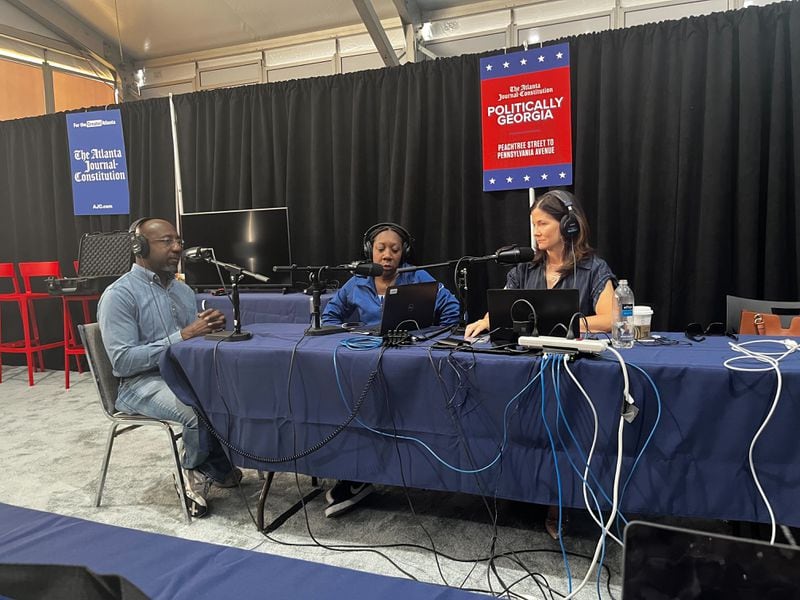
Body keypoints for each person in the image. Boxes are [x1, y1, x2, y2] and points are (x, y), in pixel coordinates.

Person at [465, 190, 617, 540]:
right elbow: (501, 307)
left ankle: (556, 501)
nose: (535, 231)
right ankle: (513, 485)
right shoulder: (524, 266)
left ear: (568, 225)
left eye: (542, 223)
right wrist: (485, 321)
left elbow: (610, 318)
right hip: (523, 363)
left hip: (570, 367)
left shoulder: (594, 268)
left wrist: (572, 322)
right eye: (533, 224)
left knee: (563, 425)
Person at [97, 217, 241, 519]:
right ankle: (191, 473)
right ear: (139, 246)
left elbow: (189, 344)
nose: (177, 248)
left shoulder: (183, 292)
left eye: (179, 242)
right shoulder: (119, 296)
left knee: (235, 393)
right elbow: (123, 361)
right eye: (167, 241)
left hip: (183, 376)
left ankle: (215, 463)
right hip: (138, 385)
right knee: (195, 411)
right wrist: (185, 334)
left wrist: (209, 330)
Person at [320, 222, 460, 517]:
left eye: (394, 249)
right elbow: (330, 316)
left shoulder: (417, 277)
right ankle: (357, 473)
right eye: (381, 249)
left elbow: (452, 312)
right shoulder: (356, 281)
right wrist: (355, 333)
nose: (387, 255)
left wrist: (426, 335)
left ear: (403, 252)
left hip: (409, 362)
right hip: (366, 360)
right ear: (369, 251)